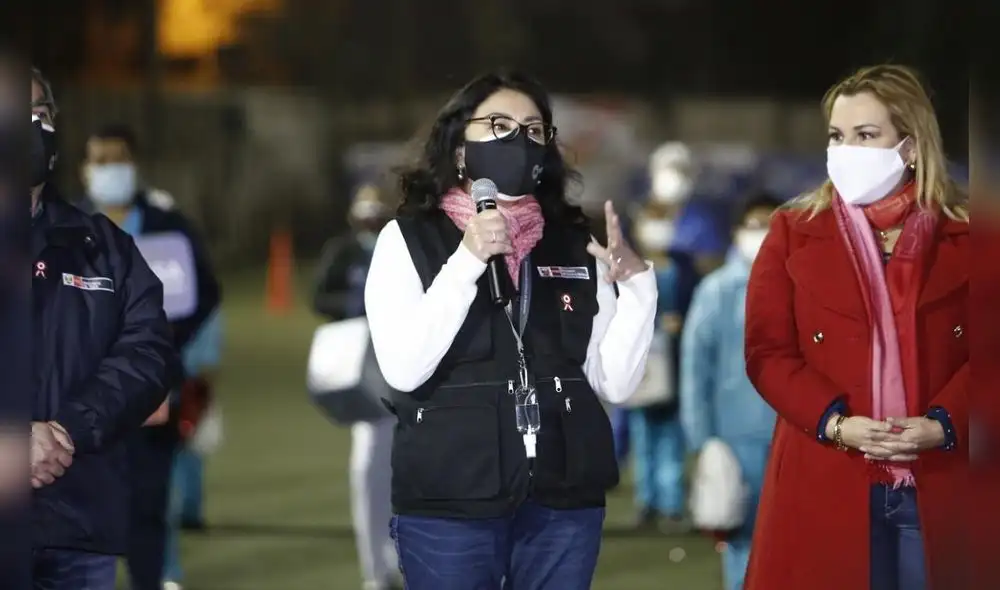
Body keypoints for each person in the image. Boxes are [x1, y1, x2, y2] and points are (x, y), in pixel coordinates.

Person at [363, 70, 657, 590]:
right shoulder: (406, 239)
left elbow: (613, 382)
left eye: (533, 129)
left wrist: (638, 292)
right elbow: (404, 369)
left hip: (562, 500)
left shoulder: (574, 242)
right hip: (450, 500)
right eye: (498, 124)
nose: (517, 140)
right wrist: (467, 260)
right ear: (459, 147)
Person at [744, 65, 968, 590]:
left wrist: (944, 423)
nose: (846, 151)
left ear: (910, 146)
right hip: (828, 472)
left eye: (866, 136)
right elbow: (767, 352)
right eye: (837, 137)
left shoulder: (971, 235)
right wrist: (837, 423)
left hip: (942, 480)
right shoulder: (793, 231)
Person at [30, 68, 178, 590]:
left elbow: (149, 351)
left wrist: (67, 427)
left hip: (79, 523)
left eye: (39, 118)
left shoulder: (102, 247)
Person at [80, 123, 222, 590]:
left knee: (147, 502)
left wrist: (164, 342)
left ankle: (153, 578)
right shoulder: (64, 229)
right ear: (84, 171)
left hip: (152, 390)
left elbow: (205, 291)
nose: (110, 169)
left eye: (118, 158)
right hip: (83, 394)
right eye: (100, 160)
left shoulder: (169, 227)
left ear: (135, 165)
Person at [679, 191, 783, 590]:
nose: (761, 234)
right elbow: (695, 366)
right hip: (735, 438)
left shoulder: (799, 284)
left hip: (795, 434)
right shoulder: (719, 290)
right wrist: (703, 439)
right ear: (737, 231)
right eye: (754, 225)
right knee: (744, 545)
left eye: (770, 224)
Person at [312, 183, 400, 590]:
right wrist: (357, 302)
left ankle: (398, 557)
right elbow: (318, 296)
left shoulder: (400, 247)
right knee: (368, 466)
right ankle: (374, 569)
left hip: (401, 358)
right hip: (363, 361)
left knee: (405, 467)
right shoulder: (343, 250)